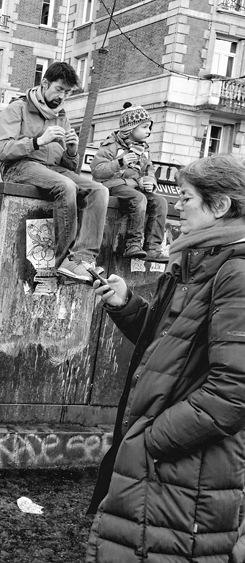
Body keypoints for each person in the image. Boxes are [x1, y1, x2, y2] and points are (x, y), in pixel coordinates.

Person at [86, 154, 245, 562]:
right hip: (168, 461)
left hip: (188, 465)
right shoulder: (197, 260)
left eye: (188, 198)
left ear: (221, 206)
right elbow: (171, 349)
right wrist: (126, 304)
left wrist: (150, 441)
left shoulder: (237, 271)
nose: (177, 206)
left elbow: (234, 391)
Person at [0, 61, 109, 283]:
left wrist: (72, 153)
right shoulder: (17, 108)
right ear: (45, 83)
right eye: (59, 89)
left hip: (52, 169)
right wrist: (37, 142)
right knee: (66, 186)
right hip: (19, 166)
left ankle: (83, 258)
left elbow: (68, 167)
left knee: (99, 191)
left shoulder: (61, 117)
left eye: (67, 92)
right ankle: (66, 261)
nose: (62, 96)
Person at [91, 102, 169, 263]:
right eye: (145, 127)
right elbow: (97, 171)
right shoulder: (111, 145)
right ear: (130, 128)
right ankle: (132, 244)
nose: (148, 131)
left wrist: (150, 181)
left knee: (160, 202)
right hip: (114, 186)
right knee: (139, 199)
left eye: (149, 128)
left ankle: (153, 247)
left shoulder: (144, 149)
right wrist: (120, 162)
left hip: (135, 187)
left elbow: (149, 170)